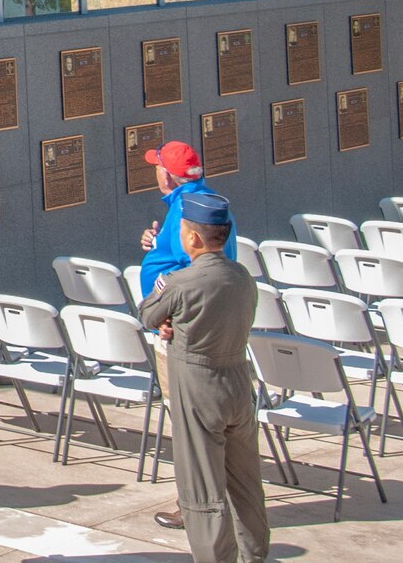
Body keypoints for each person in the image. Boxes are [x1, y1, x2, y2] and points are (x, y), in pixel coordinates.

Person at [140, 191, 268, 563]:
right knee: (245, 484)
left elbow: (149, 314)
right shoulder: (242, 277)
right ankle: (255, 554)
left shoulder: (181, 282)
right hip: (237, 385)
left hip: (198, 389)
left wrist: (169, 322)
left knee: (202, 490)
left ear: (192, 238)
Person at [138, 138, 236, 533]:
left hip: (180, 330)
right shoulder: (196, 203)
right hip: (183, 322)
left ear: (169, 175)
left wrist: (167, 313)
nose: (154, 171)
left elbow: (189, 271)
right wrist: (153, 242)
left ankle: (195, 505)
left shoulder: (189, 208)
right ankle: (203, 500)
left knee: (189, 424)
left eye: (157, 165)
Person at [138, 140, 236, 297]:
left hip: (177, 309)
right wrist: (158, 241)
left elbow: (196, 266)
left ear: (166, 176)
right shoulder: (205, 200)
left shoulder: (185, 209)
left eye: (157, 168)